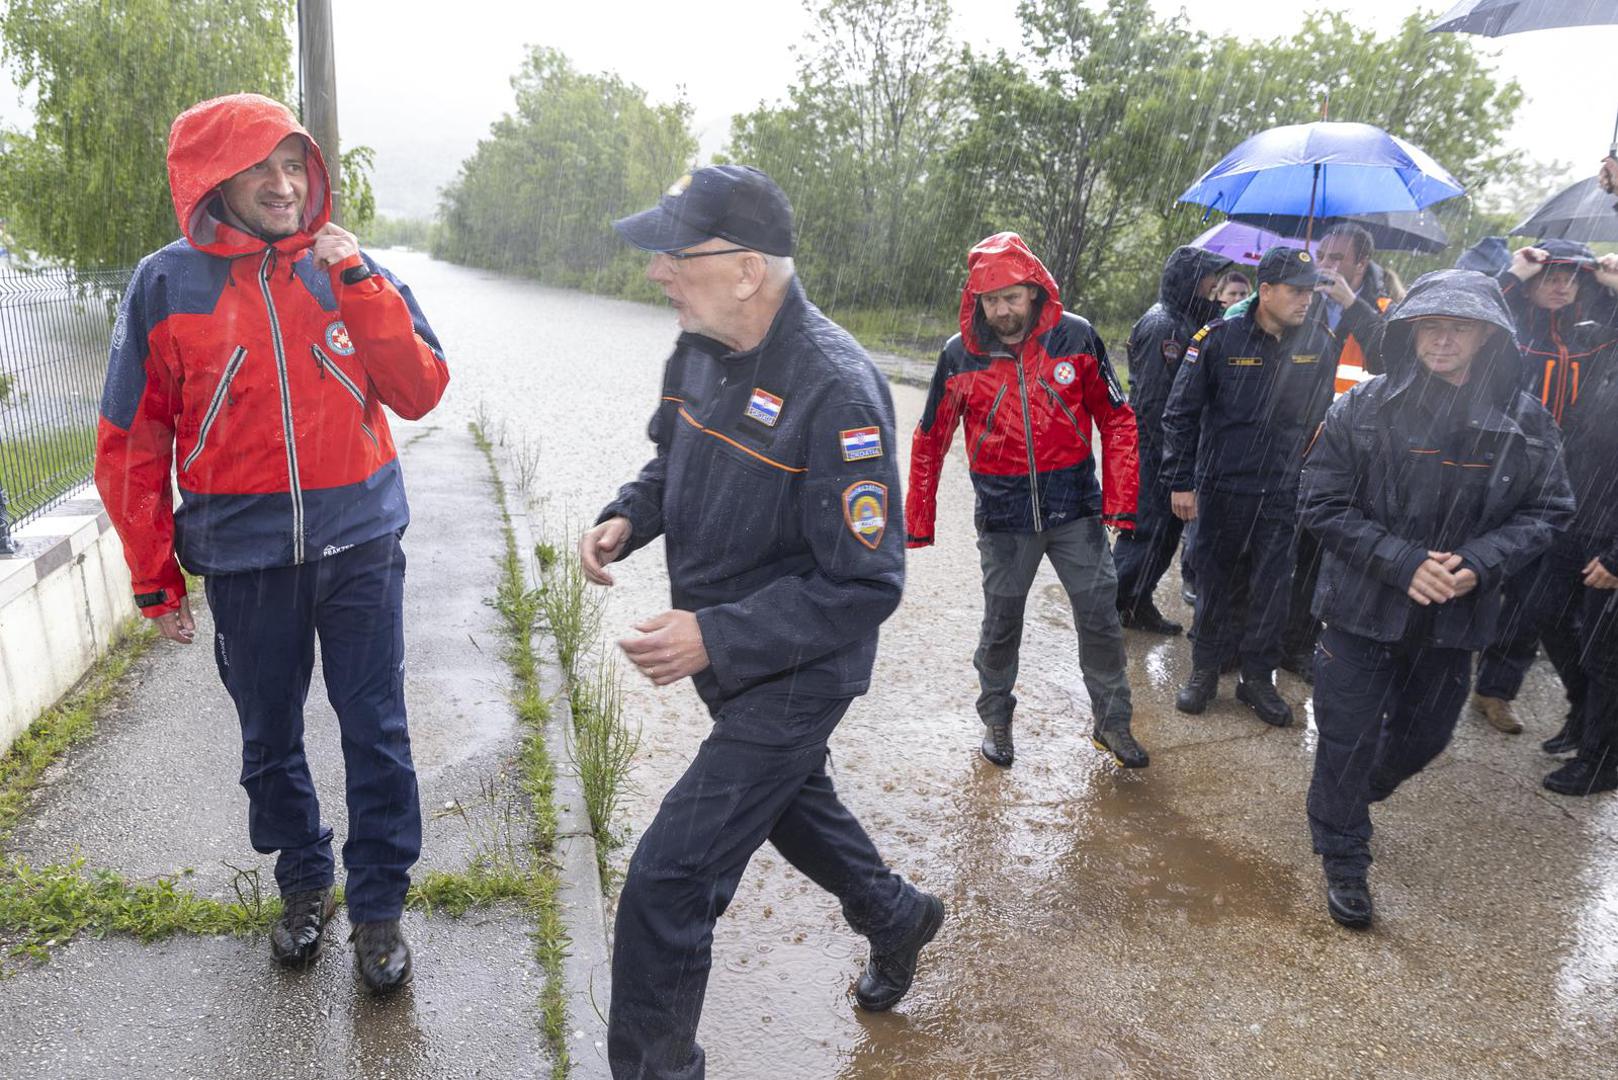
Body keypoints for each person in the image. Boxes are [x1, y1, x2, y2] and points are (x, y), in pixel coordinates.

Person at [580, 165, 943, 1080]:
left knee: (669, 882)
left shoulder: (839, 390)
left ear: (746, 269)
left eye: (675, 254)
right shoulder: (701, 343)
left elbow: (868, 584)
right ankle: (896, 914)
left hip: (796, 672)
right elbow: (672, 458)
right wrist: (630, 515)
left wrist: (716, 634)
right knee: (788, 804)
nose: (659, 272)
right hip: (734, 660)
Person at [94, 94, 449, 991]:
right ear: (218, 183)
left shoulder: (347, 268)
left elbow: (420, 387)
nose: (286, 186)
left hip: (361, 544)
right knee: (268, 741)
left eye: (296, 166)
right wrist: (154, 576)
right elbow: (133, 440)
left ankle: (377, 908)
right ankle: (303, 881)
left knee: (377, 732)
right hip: (246, 563)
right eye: (263, 170)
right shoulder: (166, 285)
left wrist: (361, 281)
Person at [1298, 269, 1573, 927]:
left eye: (1459, 327)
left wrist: (1479, 562)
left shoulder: (1526, 421)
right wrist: (1401, 561)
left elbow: (1550, 508)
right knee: (1346, 737)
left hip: (1455, 618)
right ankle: (1344, 856)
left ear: (1484, 335)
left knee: (1424, 738)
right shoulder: (1362, 408)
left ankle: (1354, 794)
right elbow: (1320, 500)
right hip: (1361, 611)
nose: (1443, 339)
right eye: (1432, 325)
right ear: (1411, 330)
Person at [906, 232, 1146, 770]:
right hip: (1004, 513)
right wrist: (919, 519)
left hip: (1075, 507)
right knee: (1002, 621)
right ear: (977, 301)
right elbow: (930, 438)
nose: (1002, 310)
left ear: (1034, 291)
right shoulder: (959, 354)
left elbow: (1117, 419)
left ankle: (1113, 724)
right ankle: (996, 718)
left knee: (1100, 616)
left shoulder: (1077, 339)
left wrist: (1121, 503)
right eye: (991, 300)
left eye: (1012, 297)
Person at [1161, 247, 1338, 727]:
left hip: (1281, 490)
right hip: (1221, 485)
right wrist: (1180, 481)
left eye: (1311, 290)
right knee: (1215, 581)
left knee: (1273, 588)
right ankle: (1204, 670)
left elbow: (1321, 417)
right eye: (1296, 290)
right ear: (1266, 291)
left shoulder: (1320, 343)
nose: (1306, 300)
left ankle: (1258, 679)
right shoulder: (1218, 339)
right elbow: (1180, 414)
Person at [1472, 241, 1618, 739]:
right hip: (1491, 473)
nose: (1561, 286)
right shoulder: (1508, 331)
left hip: (1558, 484)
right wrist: (1512, 274)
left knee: (1532, 598)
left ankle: (1495, 688)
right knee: (1472, 574)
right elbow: (1475, 307)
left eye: (1571, 278)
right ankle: (1421, 679)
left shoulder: (1586, 339)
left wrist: (1612, 286)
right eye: (1551, 276)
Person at [1278, 224, 1395, 680]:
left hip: (1353, 447)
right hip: (1298, 439)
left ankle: (1302, 643)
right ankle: (1270, 634)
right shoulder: (1301, 302)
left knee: (1321, 550)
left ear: (1361, 264)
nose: (1325, 264)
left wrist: (1351, 304)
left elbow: (1392, 359)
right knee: (1281, 546)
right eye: (1321, 253)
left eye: (1337, 257)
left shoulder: (1381, 308)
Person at [1113, 245, 1232, 635]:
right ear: (1191, 281)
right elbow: (1153, 400)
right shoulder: (1162, 325)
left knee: (1164, 536)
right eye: (1209, 278)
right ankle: (1108, 609)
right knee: (1144, 533)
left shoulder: (1186, 320)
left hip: (1172, 448)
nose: (1216, 286)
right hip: (1154, 449)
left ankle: (1136, 601)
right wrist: (1171, 459)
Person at [1543, 322, 1618, 796]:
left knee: (1605, 654)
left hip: (1610, 537)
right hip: (1575, 516)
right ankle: (1582, 712)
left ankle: (1602, 759)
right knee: (1544, 614)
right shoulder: (1602, 348)